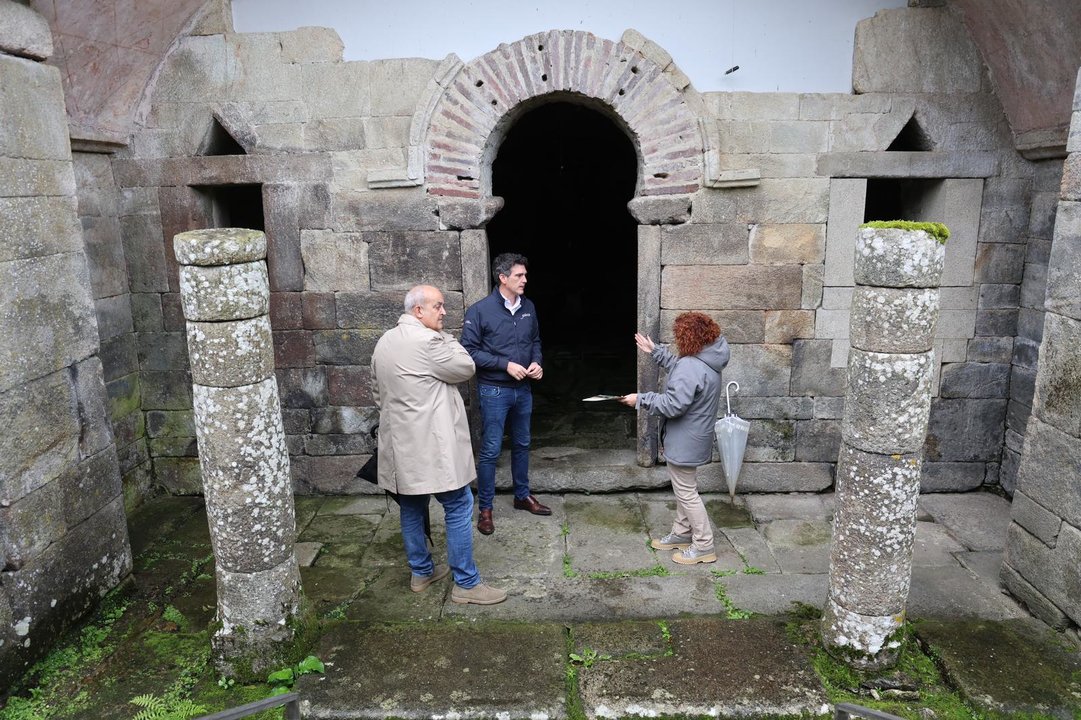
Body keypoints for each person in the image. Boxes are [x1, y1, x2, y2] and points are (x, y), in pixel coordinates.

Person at [371, 284, 507, 605]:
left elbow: (378, 393)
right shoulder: (431, 342)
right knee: (459, 504)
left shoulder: (385, 341)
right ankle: (467, 583)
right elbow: (466, 366)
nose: (444, 312)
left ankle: (421, 572)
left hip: (399, 449)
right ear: (418, 311)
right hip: (432, 448)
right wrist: (447, 338)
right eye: (438, 307)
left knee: (412, 507)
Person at [619, 312, 729, 565]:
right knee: (685, 489)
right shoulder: (707, 358)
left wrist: (641, 399)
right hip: (695, 437)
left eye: (679, 335)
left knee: (687, 493)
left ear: (689, 337)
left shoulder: (693, 365)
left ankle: (703, 545)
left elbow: (673, 405)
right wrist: (655, 351)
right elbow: (684, 372)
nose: (677, 340)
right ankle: (682, 533)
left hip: (684, 439)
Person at [462, 252, 551, 536]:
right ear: (503, 278)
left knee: (523, 444)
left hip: (523, 389)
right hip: (494, 390)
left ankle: (522, 496)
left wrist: (537, 363)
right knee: (490, 451)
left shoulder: (529, 307)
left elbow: (535, 341)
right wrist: (505, 365)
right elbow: (469, 351)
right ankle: (485, 508)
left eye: (525, 275)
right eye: (519, 276)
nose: (525, 280)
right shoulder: (479, 311)